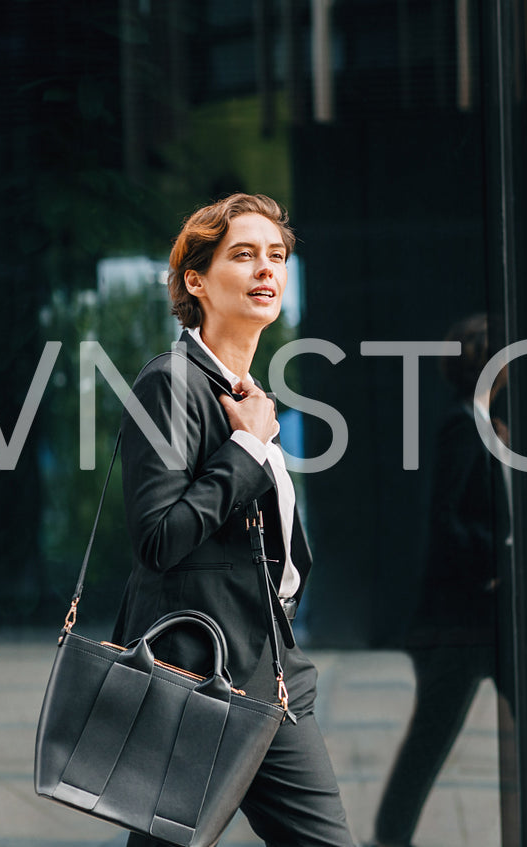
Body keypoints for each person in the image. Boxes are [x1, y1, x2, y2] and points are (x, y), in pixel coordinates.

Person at [113, 193, 356, 847]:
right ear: (195, 279)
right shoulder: (171, 385)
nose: (265, 270)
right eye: (243, 255)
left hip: (269, 674)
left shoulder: (244, 394)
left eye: (275, 256)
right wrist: (247, 448)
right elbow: (157, 537)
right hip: (199, 680)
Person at [370, 313, 527, 847]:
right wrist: (496, 560)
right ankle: (388, 836)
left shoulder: (488, 427)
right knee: (432, 740)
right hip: (466, 618)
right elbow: (446, 519)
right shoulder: (463, 426)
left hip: (485, 617)